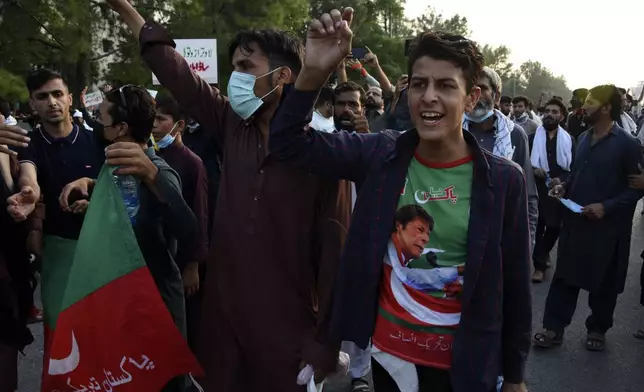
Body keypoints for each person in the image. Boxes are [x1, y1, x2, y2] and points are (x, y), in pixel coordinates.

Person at [269, 8, 530, 392]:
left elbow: (515, 283)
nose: (429, 97)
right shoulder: (381, 155)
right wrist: (313, 71)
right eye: (420, 84)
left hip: (466, 366)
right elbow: (288, 144)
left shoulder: (504, 180)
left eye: (445, 85)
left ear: (471, 96)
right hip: (393, 362)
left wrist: (516, 376)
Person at [106, 1, 351, 391]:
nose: (235, 77)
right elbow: (175, 70)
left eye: (245, 68)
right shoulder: (233, 124)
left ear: (282, 76)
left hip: (287, 324)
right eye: (233, 66)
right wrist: (125, 10)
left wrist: (325, 342)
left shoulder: (321, 153)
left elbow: (336, 254)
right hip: (225, 318)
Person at [59, 84, 197, 391]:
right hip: (119, 300)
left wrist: (152, 176)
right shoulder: (114, 166)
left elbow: (189, 229)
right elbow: (126, 215)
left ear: (120, 128)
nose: (96, 124)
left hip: (155, 302)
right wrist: (93, 191)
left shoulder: (158, 169)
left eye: (102, 118)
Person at [533, 84, 644, 352]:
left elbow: (637, 189)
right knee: (564, 277)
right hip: (576, 222)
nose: (585, 106)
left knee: (604, 282)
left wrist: (607, 207)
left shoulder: (627, 145)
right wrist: (565, 186)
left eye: (591, 102)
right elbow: (577, 174)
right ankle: (553, 328)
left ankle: (597, 329)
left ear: (606, 108)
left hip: (609, 229)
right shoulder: (582, 137)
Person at [152, 94, 209, 349]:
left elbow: (199, 214)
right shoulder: (151, 157)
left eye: (161, 119)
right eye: (151, 118)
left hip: (182, 258)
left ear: (179, 126)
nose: (153, 124)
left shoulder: (191, 163)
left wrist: (193, 265)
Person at [462, 68, 538, 248]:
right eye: (470, 88)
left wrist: (528, 243)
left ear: (496, 96)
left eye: (482, 88)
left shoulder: (514, 135)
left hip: (498, 235)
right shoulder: (451, 131)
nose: (475, 94)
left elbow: (528, 195)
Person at [528, 99, 575, 283]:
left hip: (559, 190)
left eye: (554, 112)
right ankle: (539, 266)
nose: (549, 114)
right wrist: (533, 170)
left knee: (554, 226)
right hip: (537, 188)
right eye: (547, 111)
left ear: (561, 116)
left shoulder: (568, 139)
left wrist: (562, 180)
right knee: (537, 225)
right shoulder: (532, 138)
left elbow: (575, 166)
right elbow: (523, 163)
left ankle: (544, 253)